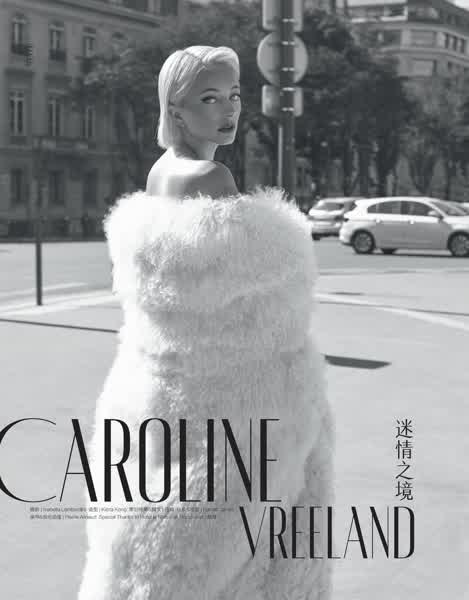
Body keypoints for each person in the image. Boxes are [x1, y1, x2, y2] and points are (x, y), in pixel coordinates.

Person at [78, 46, 334, 600]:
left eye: (234, 95)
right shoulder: (213, 177)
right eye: (210, 98)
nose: (229, 109)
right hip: (233, 400)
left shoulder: (159, 172)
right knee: (252, 554)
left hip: (160, 392)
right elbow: (253, 301)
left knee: (158, 539)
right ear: (176, 107)